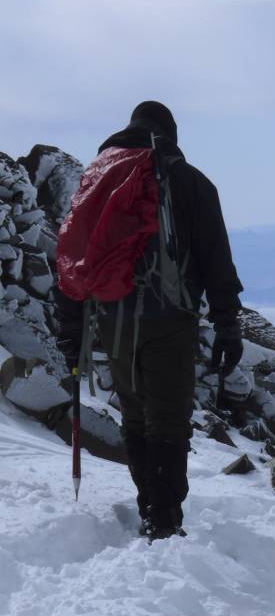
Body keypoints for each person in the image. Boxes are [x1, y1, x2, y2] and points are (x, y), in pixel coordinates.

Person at [54, 101, 244, 541]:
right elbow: (217, 261)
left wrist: (71, 328)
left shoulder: (97, 181)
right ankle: (164, 518)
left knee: (137, 415)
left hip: (113, 317)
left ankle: (151, 507)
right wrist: (227, 325)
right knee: (169, 419)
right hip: (169, 318)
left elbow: (72, 259)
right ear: (170, 134)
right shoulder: (190, 182)